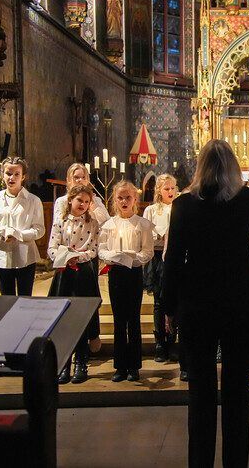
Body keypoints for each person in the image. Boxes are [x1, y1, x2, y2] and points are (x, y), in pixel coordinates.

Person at [161, 91, 249, 467]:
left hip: (197, 306)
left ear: (200, 168)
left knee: (200, 393)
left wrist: (168, 307)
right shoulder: (245, 200)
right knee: (236, 394)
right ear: (232, 168)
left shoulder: (183, 205)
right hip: (241, 305)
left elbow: (172, 260)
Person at [98, 180, 154, 382]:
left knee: (134, 320)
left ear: (135, 199)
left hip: (133, 274)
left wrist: (133, 257)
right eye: (120, 198)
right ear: (115, 200)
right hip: (116, 274)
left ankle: (134, 366)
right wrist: (113, 255)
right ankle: (120, 366)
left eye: (128, 197)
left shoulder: (142, 224)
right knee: (119, 321)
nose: (124, 201)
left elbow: (147, 252)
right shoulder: (109, 224)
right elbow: (101, 249)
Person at [52, 162, 109, 353]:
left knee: (86, 304)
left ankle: (90, 340)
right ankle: (66, 354)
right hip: (65, 258)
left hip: (86, 259)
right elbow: (57, 231)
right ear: (69, 180)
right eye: (75, 177)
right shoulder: (62, 202)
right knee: (66, 307)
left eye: (82, 177)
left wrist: (90, 208)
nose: (79, 180)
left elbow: (104, 223)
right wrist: (64, 255)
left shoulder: (93, 201)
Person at [47, 185, 101, 384]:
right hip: (64, 272)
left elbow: (94, 249)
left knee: (81, 318)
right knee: (64, 319)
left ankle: (81, 361)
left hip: (83, 272)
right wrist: (65, 256)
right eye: (80, 201)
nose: (83, 205)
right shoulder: (60, 221)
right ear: (70, 200)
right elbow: (51, 248)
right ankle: (64, 363)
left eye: (87, 202)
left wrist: (79, 256)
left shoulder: (92, 223)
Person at [0, 156, 44, 296]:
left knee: (25, 298)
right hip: (2, 256)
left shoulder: (33, 201)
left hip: (26, 256)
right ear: (2, 175)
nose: (12, 178)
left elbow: (39, 230)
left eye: (17, 174)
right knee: (6, 299)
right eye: (8, 173)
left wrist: (19, 234)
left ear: (23, 177)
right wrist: (0, 234)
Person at [142, 174, 178, 363]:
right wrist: (159, 235)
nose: (170, 192)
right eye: (166, 189)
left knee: (174, 299)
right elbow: (146, 231)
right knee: (158, 301)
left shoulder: (179, 207)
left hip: (173, 257)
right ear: (159, 190)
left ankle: (172, 340)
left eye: (173, 188)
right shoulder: (151, 210)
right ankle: (159, 343)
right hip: (156, 257)